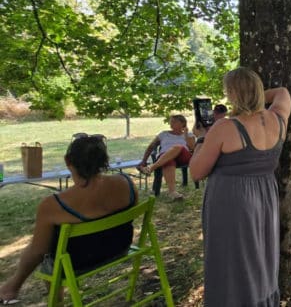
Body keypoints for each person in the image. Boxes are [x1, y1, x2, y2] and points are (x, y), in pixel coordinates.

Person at [189, 67, 291, 306]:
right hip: (265, 194)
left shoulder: (224, 127)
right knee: (261, 254)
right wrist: (254, 95)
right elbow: (282, 92)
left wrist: (202, 138)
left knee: (233, 257)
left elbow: (196, 172)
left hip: (232, 200)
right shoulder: (279, 117)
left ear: (232, 94)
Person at [0, 135, 137, 305]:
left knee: (45, 253)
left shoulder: (53, 205)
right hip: (120, 248)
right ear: (104, 160)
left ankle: (13, 288)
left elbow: (39, 251)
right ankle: (12, 287)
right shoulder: (127, 183)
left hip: (77, 264)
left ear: (68, 161)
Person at [138, 114, 196, 200]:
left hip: (183, 156)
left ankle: (151, 168)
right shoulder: (163, 134)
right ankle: (172, 192)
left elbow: (192, 148)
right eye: (170, 121)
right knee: (168, 161)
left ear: (182, 123)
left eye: (174, 121)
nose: (171, 123)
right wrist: (144, 161)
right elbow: (151, 146)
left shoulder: (189, 134)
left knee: (177, 147)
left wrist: (186, 134)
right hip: (165, 157)